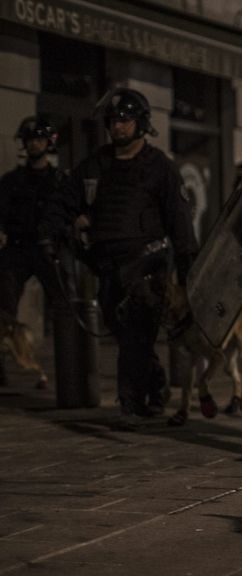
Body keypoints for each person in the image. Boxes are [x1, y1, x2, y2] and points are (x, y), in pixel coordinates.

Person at [42, 88, 197, 424]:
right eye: (113, 120)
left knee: (136, 331)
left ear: (140, 123)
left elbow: (180, 222)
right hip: (107, 266)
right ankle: (154, 388)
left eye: (124, 120)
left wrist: (189, 273)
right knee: (121, 330)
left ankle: (132, 402)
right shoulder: (95, 165)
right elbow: (61, 202)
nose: (117, 126)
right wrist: (66, 224)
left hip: (149, 265)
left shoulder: (160, 168)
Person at [0, 116, 72, 389]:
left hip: (47, 248)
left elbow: (68, 214)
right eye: (30, 140)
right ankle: (2, 366)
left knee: (64, 305)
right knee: (3, 308)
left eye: (39, 140)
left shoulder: (59, 181)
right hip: (17, 249)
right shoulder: (11, 181)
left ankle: (69, 368)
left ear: (49, 143)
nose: (33, 145)